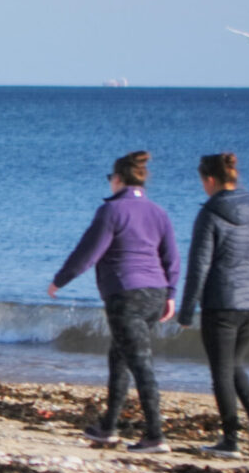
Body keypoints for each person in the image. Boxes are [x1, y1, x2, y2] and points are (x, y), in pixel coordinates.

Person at [48, 151, 180, 454]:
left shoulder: (112, 211)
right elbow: (171, 257)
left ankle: (155, 435)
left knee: (139, 362)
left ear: (118, 179)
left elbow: (88, 252)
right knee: (119, 357)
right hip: (156, 292)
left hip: (126, 293)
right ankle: (108, 427)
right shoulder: (159, 212)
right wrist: (171, 294)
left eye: (111, 178)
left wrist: (60, 280)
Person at [177, 153, 249, 459]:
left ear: (209, 180)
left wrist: (186, 310)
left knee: (221, 371)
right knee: (235, 364)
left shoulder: (210, 213)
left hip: (221, 302)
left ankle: (230, 438)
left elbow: (199, 266)